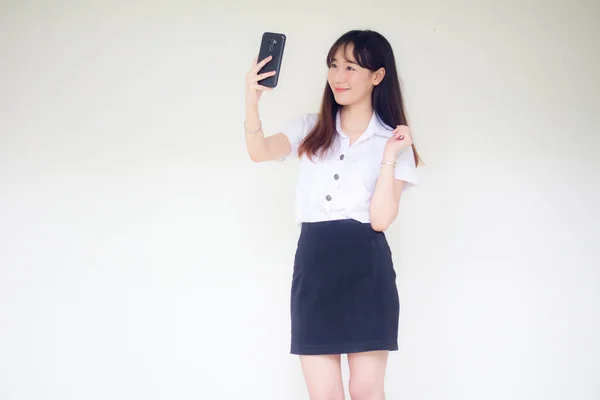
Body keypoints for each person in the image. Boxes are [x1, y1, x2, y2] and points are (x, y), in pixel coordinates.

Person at [244, 29, 420, 400]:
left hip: (366, 270)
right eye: (334, 65)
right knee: (323, 394)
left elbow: (380, 220)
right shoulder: (310, 128)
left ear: (377, 76)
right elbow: (259, 151)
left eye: (351, 67)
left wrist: (388, 156)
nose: (339, 76)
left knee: (367, 391)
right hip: (314, 266)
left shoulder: (396, 142)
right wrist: (252, 102)